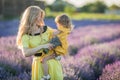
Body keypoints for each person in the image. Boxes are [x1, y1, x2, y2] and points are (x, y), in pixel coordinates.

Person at [16, 6, 64, 80]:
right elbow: (26, 53)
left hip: (53, 62)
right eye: (39, 16)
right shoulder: (25, 36)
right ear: (32, 17)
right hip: (39, 64)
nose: (41, 18)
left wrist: (65, 27)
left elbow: (59, 33)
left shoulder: (46, 29)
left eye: (42, 16)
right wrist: (42, 46)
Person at [41, 14, 73, 80]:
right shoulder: (67, 29)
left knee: (44, 59)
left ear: (61, 23)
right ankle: (61, 71)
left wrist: (51, 33)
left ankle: (46, 76)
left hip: (57, 45)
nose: (56, 25)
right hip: (60, 48)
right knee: (57, 62)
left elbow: (54, 34)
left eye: (57, 23)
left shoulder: (61, 30)